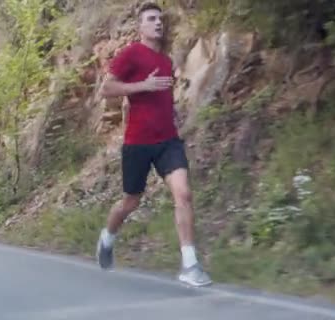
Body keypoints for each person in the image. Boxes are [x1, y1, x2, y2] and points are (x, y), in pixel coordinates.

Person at [96, 2, 212, 287]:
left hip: (168, 141)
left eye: (160, 19)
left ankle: (189, 265)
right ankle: (107, 238)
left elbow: (163, 99)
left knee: (183, 194)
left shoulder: (167, 61)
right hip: (137, 143)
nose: (158, 23)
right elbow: (106, 89)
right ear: (141, 26)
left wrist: (173, 115)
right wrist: (141, 87)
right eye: (151, 19)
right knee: (130, 201)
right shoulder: (131, 54)